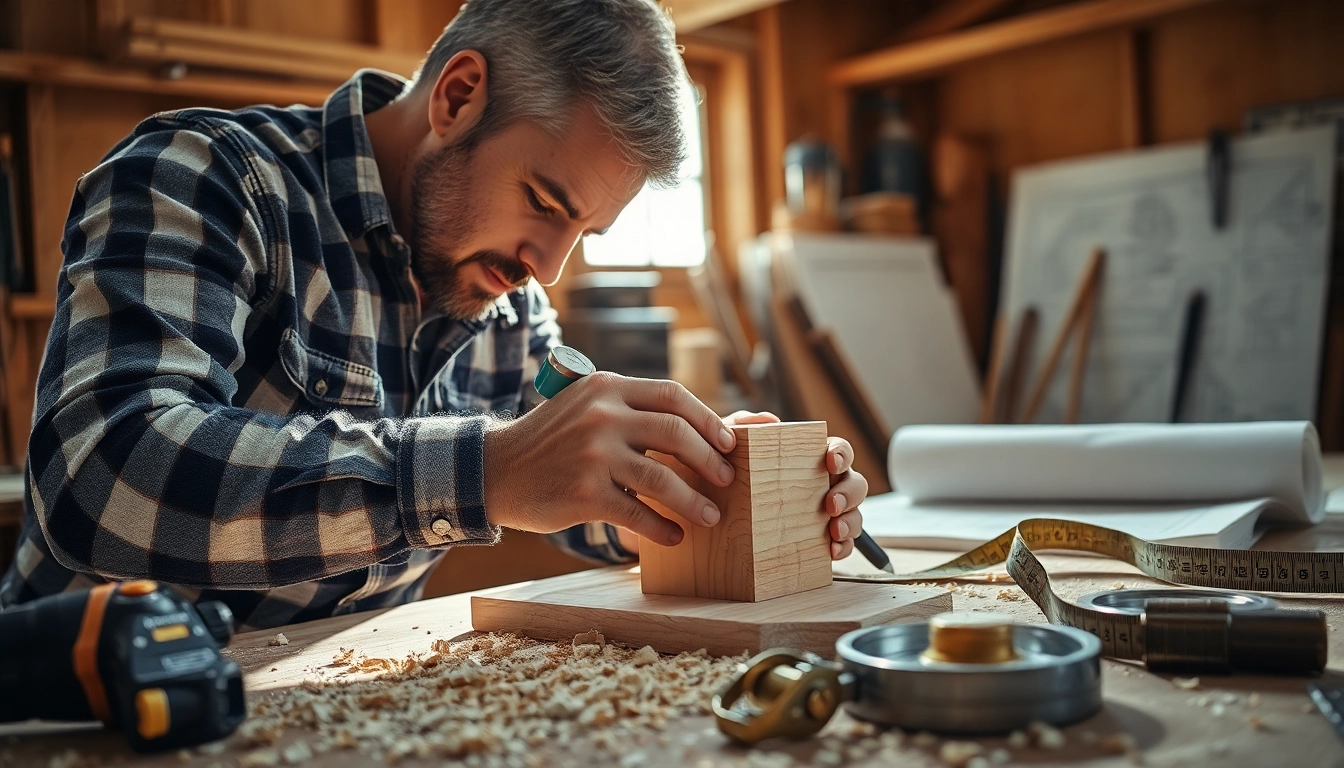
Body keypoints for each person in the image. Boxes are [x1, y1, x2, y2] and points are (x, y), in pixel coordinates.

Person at [0, 0, 868, 629]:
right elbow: (98, 474)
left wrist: (722, 488)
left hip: (317, 697)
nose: (547, 266)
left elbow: (573, 482)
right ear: (456, 96)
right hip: (87, 698)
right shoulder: (206, 176)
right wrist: (485, 473)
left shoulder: (508, 305)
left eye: (584, 231)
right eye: (543, 200)